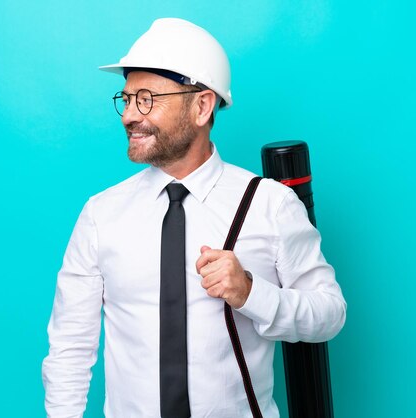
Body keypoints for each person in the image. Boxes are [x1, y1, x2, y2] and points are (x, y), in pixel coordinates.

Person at [42, 17, 346, 418]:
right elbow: (70, 348)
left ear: (202, 106)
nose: (128, 115)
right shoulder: (102, 215)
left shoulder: (269, 205)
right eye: (127, 98)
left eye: (147, 98)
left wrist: (251, 292)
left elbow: (329, 315)